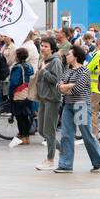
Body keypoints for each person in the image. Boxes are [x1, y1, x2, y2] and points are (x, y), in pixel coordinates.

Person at [55, 45, 100, 174]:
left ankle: (98, 161)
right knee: (66, 135)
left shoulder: (84, 71)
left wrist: (65, 87)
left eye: (69, 54)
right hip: (68, 105)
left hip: (80, 105)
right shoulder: (67, 69)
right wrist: (67, 86)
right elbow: (58, 85)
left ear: (76, 56)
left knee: (86, 134)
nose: (67, 56)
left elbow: (77, 89)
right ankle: (65, 164)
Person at [35, 37, 64, 171]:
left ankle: (50, 159)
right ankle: (63, 149)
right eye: (42, 45)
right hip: (42, 98)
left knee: (49, 131)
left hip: (52, 99)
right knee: (41, 130)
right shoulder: (43, 60)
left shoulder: (55, 61)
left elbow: (56, 80)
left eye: (46, 46)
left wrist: (44, 71)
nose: (43, 48)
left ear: (52, 48)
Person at [8, 47, 36, 146]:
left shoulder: (17, 67)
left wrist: (10, 93)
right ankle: (26, 137)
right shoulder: (29, 66)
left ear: (17, 56)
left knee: (20, 117)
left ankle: (23, 137)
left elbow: (14, 82)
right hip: (28, 92)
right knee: (26, 115)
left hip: (19, 94)